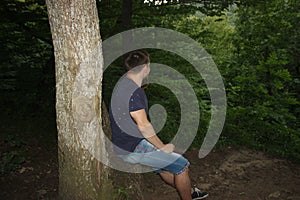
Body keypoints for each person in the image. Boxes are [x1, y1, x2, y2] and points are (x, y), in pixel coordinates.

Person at [109, 50, 208, 200]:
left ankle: (190, 191)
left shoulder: (123, 84)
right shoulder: (133, 92)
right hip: (131, 147)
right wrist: (162, 147)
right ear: (145, 68)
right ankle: (190, 195)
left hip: (124, 144)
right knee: (182, 166)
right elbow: (143, 125)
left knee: (164, 168)